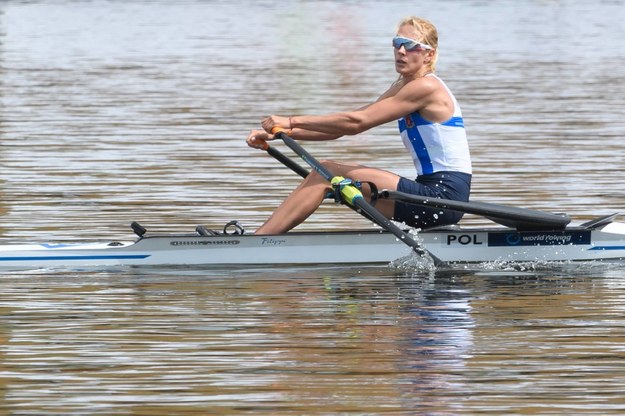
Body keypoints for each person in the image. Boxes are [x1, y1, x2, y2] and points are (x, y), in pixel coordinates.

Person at [246, 16, 472, 235]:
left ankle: (255, 242)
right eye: (397, 43)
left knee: (327, 171)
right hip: (430, 196)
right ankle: (260, 240)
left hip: (442, 196)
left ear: (428, 54)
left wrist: (291, 120)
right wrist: (281, 134)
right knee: (329, 177)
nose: (400, 51)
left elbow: (357, 122)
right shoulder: (404, 86)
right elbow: (343, 128)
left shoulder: (426, 87)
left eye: (410, 45)